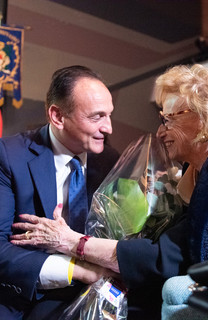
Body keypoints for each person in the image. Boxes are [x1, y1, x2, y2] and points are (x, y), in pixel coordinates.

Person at [10, 64, 208, 320]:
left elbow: (172, 257)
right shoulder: (197, 170)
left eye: (169, 119)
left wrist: (73, 242)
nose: (160, 131)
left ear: (203, 116)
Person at [0, 65, 120, 318]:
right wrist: (80, 271)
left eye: (109, 115)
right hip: (23, 294)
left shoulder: (110, 160)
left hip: (94, 296)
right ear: (57, 116)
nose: (108, 128)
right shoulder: (8, 156)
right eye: (96, 117)